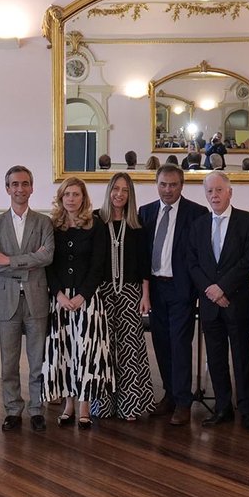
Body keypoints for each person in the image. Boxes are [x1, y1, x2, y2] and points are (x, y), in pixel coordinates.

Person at [0, 165, 54, 432]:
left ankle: (36, 409)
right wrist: (29, 261)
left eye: (25, 184)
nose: (20, 189)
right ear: (7, 188)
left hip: (36, 299)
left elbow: (47, 256)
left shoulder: (44, 222)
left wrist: (9, 261)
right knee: (9, 362)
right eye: (14, 184)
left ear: (31, 187)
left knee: (37, 360)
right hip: (7, 300)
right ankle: (13, 409)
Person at [188, 172, 249, 429]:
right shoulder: (198, 225)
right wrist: (211, 290)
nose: (214, 195)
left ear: (230, 192)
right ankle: (223, 407)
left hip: (236, 302)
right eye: (210, 191)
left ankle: (247, 410)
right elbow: (192, 262)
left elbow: (247, 261)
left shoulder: (248, 221)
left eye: (219, 190)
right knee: (216, 359)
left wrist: (223, 288)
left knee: (242, 358)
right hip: (210, 304)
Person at [41, 178, 112, 425]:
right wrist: (59, 295)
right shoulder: (52, 226)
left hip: (88, 299)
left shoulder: (96, 225)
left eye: (76, 194)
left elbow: (98, 265)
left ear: (84, 198)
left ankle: (84, 406)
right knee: (65, 352)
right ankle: (68, 404)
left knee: (86, 353)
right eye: (67, 194)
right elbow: (47, 264)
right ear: (61, 198)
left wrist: (82, 295)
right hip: (60, 300)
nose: (71, 199)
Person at [140, 163, 206, 425]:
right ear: (156, 184)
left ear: (182, 185)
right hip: (155, 289)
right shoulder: (145, 212)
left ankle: (183, 401)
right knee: (162, 344)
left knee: (179, 345)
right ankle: (169, 394)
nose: (168, 190)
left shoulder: (197, 213)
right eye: (163, 184)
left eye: (173, 185)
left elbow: (200, 255)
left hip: (182, 289)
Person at [95, 171, 153, 421]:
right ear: (109, 191)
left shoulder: (137, 225)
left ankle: (130, 404)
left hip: (130, 292)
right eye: (116, 189)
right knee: (104, 347)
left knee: (130, 348)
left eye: (125, 190)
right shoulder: (95, 220)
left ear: (130, 195)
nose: (119, 194)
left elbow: (144, 264)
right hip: (102, 292)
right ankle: (103, 405)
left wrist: (145, 295)